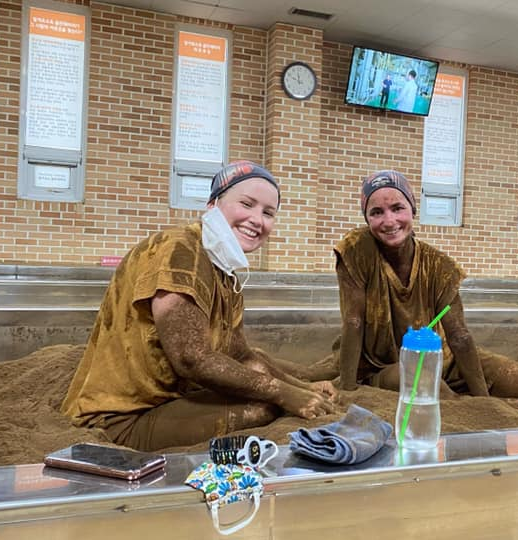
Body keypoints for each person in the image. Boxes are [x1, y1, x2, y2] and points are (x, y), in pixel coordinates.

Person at [61, 161, 337, 451]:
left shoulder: (224, 271)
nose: (257, 219)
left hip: (171, 401)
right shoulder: (180, 250)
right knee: (262, 407)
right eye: (247, 204)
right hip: (121, 418)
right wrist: (283, 394)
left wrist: (304, 388)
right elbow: (191, 359)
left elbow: (241, 355)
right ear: (213, 204)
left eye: (268, 213)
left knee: (270, 397)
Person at [331, 170, 518, 408]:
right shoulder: (356, 249)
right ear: (366, 219)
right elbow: (353, 321)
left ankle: (475, 401)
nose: (389, 221)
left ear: (412, 209)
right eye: (376, 212)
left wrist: (484, 400)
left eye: (397, 208)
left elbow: (459, 335)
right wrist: (348, 388)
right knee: (430, 384)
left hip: (442, 358)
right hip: (384, 365)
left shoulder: (439, 265)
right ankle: (465, 403)